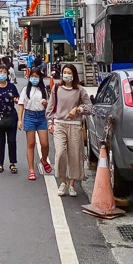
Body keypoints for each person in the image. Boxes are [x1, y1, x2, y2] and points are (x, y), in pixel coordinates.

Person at [47, 64, 92, 197]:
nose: (66, 75)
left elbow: (90, 107)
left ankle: (72, 184)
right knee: (60, 153)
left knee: (74, 155)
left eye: (69, 72)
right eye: (64, 72)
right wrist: (50, 122)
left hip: (75, 125)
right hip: (59, 124)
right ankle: (63, 181)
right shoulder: (56, 88)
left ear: (74, 74)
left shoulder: (80, 90)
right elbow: (50, 108)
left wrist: (78, 109)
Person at [17, 67, 52, 180]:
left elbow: (49, 106)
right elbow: (21, 105)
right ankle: (31, 170)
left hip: (42, 117)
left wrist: (45, 103)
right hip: (29, 116)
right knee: (30, 144)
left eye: (36, 77)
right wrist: (20, 120)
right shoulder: (25, 90)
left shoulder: (44, 90)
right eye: (32, 76)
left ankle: (44, 160)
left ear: (40, 78)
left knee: (45, 143)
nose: (34, 79)